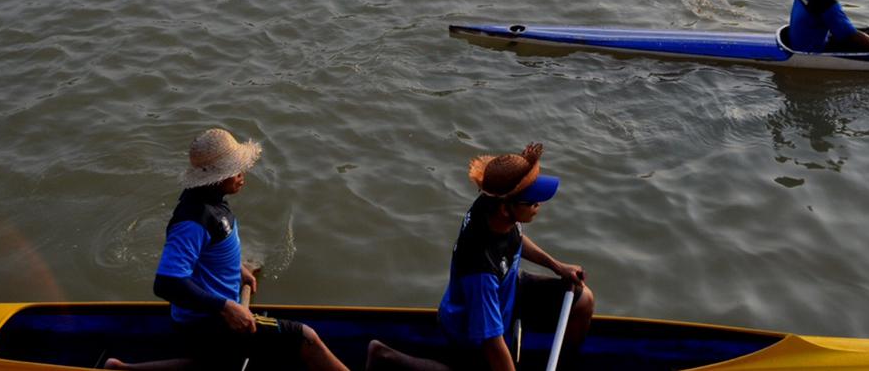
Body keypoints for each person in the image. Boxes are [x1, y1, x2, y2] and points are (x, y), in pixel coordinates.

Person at [103, 128, 351, 371]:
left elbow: (212, 250)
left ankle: (123, 368)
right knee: (306, 338)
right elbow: (166, 282)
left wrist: (238, 269)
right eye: (235, 170)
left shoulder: (213, 203)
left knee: (218, 363)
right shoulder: (193, 220)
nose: (242, 174)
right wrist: (227, 307)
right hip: (205, 322)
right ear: (218, 177)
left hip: (211, 316)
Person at [367, 143, 595, 371]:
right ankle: (384, 356)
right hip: (471, 331)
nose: (538, 205)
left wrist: (557, 267)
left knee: (583, 299)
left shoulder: (493, 209)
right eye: (532, 201)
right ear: (506, 209)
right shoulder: (480, 270)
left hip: (507, 292)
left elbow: (515, 241)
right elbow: (491, 343)